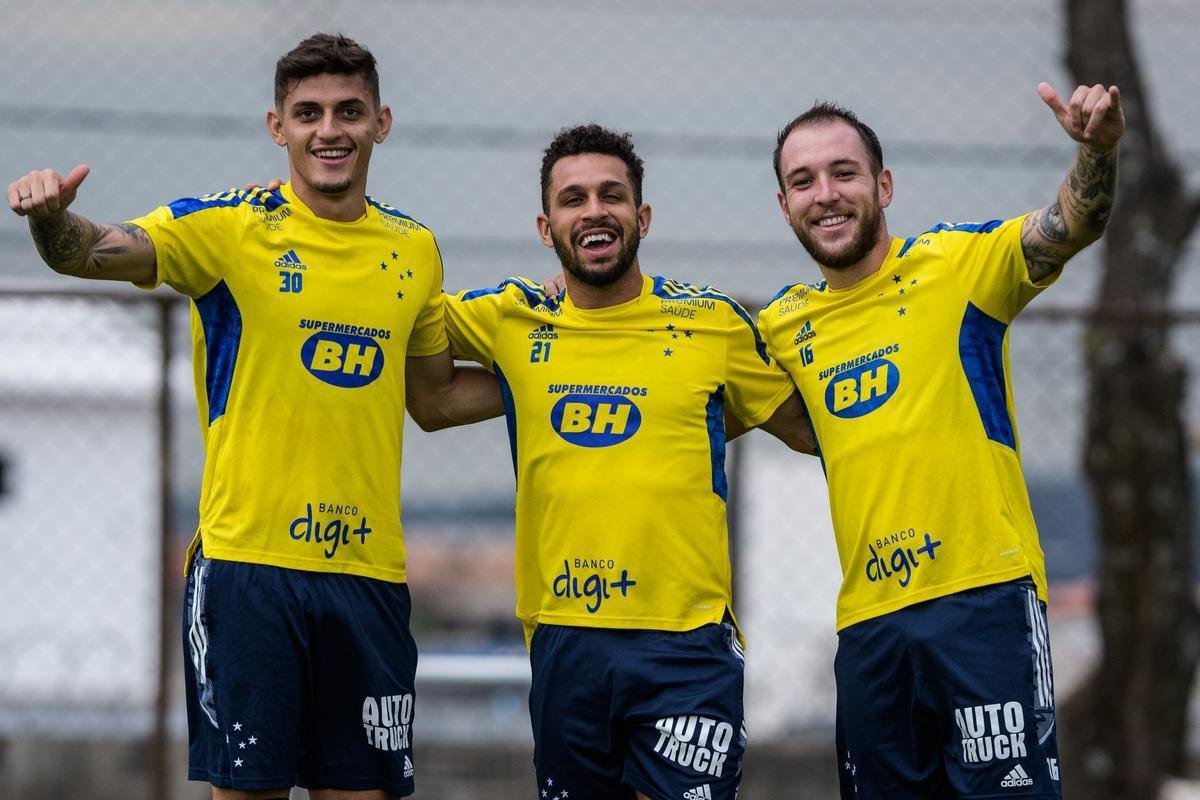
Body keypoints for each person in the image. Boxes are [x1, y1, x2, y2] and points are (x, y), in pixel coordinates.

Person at [7, 33, 500, 800]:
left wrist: (556, 375)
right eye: (307, 113)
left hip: (367, 577)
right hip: (249, 572)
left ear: (382, 122)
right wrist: (49, 221)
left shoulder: (415, 250)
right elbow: (95, 249)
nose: (328, 130)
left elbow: (433, 399)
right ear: (278, 127)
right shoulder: (230, 228)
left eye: (348, 111)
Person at [757, 83, 1124, 798]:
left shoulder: (959, 267)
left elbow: (1072, 223)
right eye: (802, 181)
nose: (825, 194)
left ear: (883, 185)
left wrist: (1097, 150)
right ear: (784, 205)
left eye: (843, 173)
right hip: (869, 629)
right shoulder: (781, 327)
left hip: (983, 602)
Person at [444, 124, 813, 800]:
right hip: (565, 642)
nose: (594, 210)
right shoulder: (510, 319)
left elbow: (811, 430)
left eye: (612, 195)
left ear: (640, 216)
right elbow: (404, 341)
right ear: (545, 226)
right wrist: (296, 210)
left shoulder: (715, 324)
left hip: (684, 646)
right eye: (573, 198)